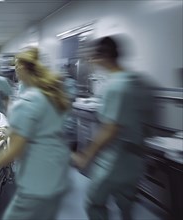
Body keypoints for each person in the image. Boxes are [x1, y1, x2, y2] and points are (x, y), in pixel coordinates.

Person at [0, 47, 71, 220]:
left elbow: (16, 149)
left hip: (37, 178)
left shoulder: (27, 102)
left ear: (22, 67)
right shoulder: (50, 95)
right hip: (56, 172)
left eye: (16, 65)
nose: (15, 69)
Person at [71, 36, 153, 220]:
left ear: (103, 56)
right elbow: (149, 121)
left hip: (115, 160)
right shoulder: (140, 82)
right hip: (137, 159)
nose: (91, 61)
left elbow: (110, 129)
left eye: (93, 57)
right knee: (126, 204)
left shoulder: (115, 87)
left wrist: (86, 155)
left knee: (94, 202)